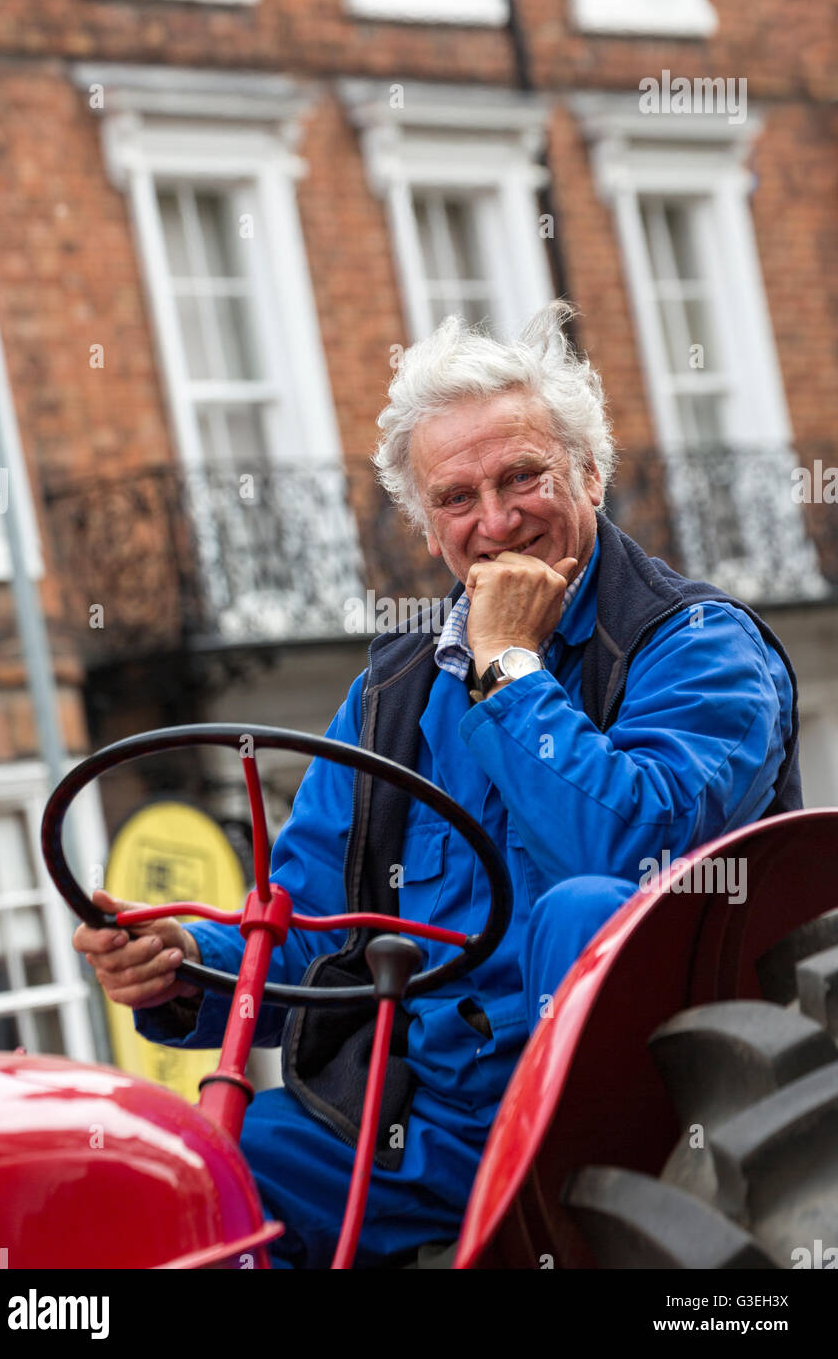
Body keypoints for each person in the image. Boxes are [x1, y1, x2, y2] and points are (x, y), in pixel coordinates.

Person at [75, 301, 800, 1268]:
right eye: (456, 499)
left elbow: (626, 850)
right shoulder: (389, 696)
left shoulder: (700, 647)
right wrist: (180, 963)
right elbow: (306, 929)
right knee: (212, 1175)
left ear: (590, 475)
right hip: (432, 1126)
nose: (495, 522)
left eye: (523, 478)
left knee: (581, 907)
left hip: (647, 1127)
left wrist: (509, 667)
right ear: (427, 528)